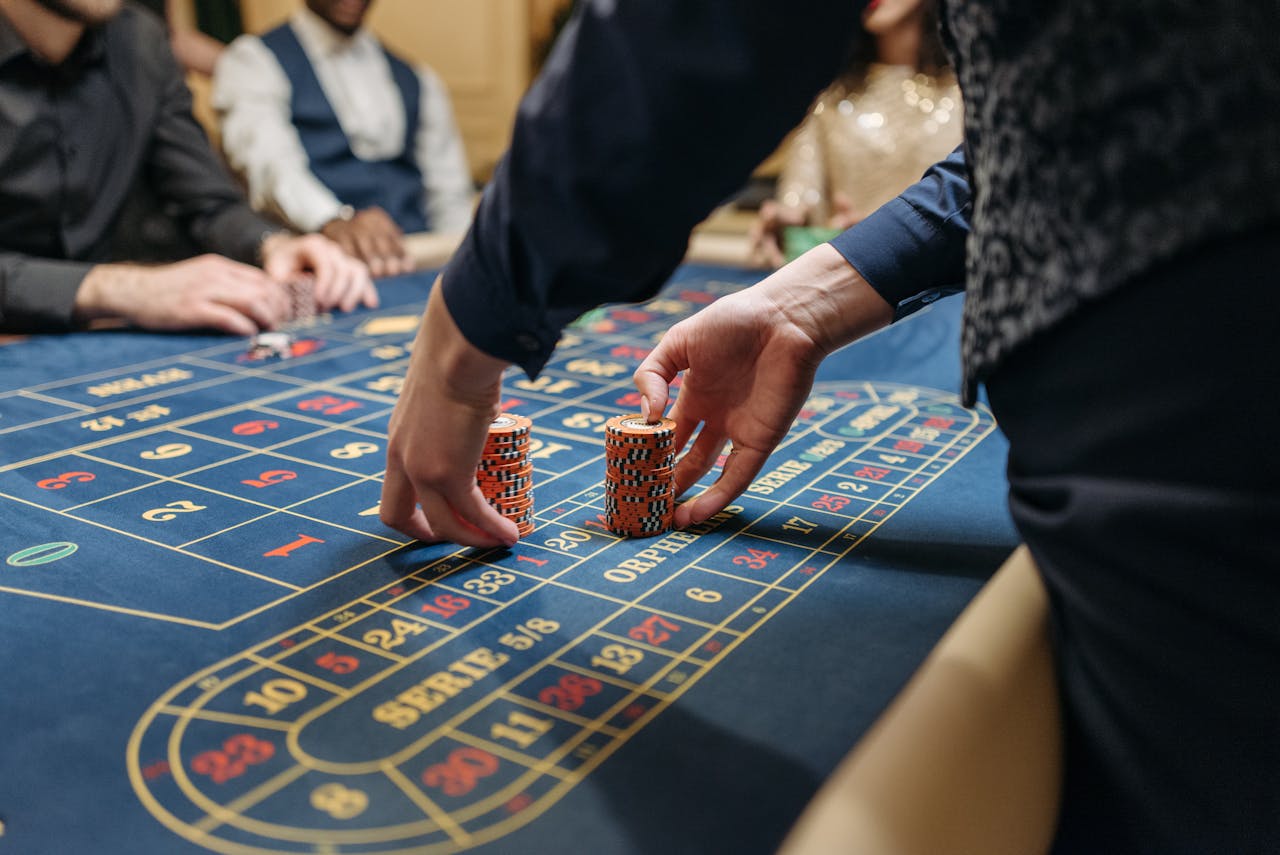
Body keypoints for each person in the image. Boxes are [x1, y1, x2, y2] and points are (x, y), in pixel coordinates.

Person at [379, 1, 1279, 852]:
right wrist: (802, 304)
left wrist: (467, 329)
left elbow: (702, 27)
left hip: (1213, 369)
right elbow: (1053, 143)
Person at [0, 0, 375, 336]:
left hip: (98, 335)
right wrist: (124, 289)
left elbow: (207, 201)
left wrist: (273, 245)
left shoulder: (140, 40)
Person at [213, 0, 475, 279]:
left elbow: (449, 197)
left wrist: (465, 268)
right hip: (326, 274)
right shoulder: (253, 62)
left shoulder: (419, 79)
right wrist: (333, 220)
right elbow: (271, 167)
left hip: (420, 268)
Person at [750, 0, 960, 267]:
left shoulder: (966, 98)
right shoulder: (831, 98)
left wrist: (884, 232)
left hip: (940, 287)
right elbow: (802, 194)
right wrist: (786, 221)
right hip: (846, 276)